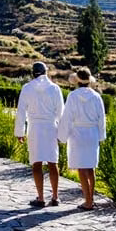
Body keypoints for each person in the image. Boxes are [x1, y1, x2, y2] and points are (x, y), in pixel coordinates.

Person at [14, 61, 64, 207]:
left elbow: (21, 111)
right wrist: (62, 133)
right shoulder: (55, 89)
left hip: (35, 128)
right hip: (50, 127)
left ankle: (41, 198)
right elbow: (61, 112)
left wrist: (20, 132)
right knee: (52, 162)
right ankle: (55, 197)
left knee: (36, 163)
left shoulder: (27, 88)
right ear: (45, 72)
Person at [58, 67, 106, 211]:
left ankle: (88, 201)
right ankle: (91, 199)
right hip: (92, 134)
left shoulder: (73, 96)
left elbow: (66, 118)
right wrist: (101, 136)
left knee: (81, 168)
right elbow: (102, 118)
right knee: (90, 168)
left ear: (77, 81)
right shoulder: (97, 96)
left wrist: (62, 136)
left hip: (78, 133)